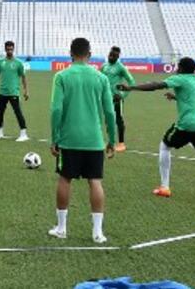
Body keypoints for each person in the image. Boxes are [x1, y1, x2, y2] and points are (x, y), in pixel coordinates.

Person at [118, 57, 195, 205]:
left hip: (186, 125)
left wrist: (131, 88)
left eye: (178, 66)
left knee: (165, 146)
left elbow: (156, 85)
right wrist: (177, 97)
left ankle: (165, 187)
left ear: (182, 68)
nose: (176, 69)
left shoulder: (179, 78)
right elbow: (194, 101)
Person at [48, 37, 117, 244]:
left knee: (64, 179)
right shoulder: (101, 78)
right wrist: (112, 139)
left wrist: (54, 138)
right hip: (94, 140)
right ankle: (97, 232)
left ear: (70, 53)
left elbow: (56, 109)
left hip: (69, 140)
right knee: (95, 181)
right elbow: (110, 112)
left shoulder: (62, 76)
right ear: (90, 54)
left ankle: (61, 228)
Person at [0, 40, 30, 142]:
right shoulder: (0, 62)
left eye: (11, 49)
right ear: (5, 49)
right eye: (8, 49)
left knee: (18, 112)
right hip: (2, 92)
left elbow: (23, 77)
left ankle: (23, 133)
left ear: (13, 49)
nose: (9, 51)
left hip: (13, 92)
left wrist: (26, 90)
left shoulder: (18, 63)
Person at [100, 46, 135, 152]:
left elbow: (131, 82)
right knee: (107, 119)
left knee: (118, 120)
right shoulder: (104, 66)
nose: (111, 57)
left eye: (114, 56)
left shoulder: (120, 67)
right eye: (110, 54)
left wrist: (122, 95)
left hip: (116, 99)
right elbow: (100, 79)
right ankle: (110, 141)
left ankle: (121, 143)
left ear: (118, 57)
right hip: (105, 98)